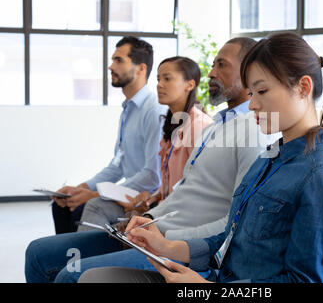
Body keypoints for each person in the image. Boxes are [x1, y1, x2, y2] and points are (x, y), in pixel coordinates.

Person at [78, 32, 323, 283]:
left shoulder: (322, 175)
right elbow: (230, 240)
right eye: (251, 92)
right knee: (93, 277)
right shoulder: (269, 160)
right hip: (214, 277)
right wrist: (168, 247)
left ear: (303, 88)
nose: (254, 103)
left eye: (262, 91)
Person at [25, 37, 273, 283]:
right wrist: (149, 220)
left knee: (72, 274)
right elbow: (181, 192)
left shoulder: (254, 130)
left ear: (249, 70)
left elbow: (236, 220)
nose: (211, 72)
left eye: (221, 65)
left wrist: (168, 239)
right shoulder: (217, 125)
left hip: (182, 245)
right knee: (37, 253)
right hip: (158, 230)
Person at [77, 56, 213, 230]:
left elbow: (192, 190)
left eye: (167, 78)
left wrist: (151, 213)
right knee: (99, 208)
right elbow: (168, 185)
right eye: (158, 79)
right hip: (163, 206)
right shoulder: (170, 122)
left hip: (179, 216)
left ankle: (88, 256)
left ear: (190, 85)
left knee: (99, 208)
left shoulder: (199, 126)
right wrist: (151, 198)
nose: (159, 84)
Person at [50, 36, 165, 234]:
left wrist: (96, 194)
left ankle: (81, 264)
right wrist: (81, 188)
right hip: (123, 193)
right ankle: (67, 265)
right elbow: (117, 165)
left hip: (142, 199)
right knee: (62, 206)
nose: (111, 66)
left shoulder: (153, 110)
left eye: (119, 60)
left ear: (141, 68)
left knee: (81, 209)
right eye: (113, 60)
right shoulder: (128, 110)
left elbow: (152, 176)